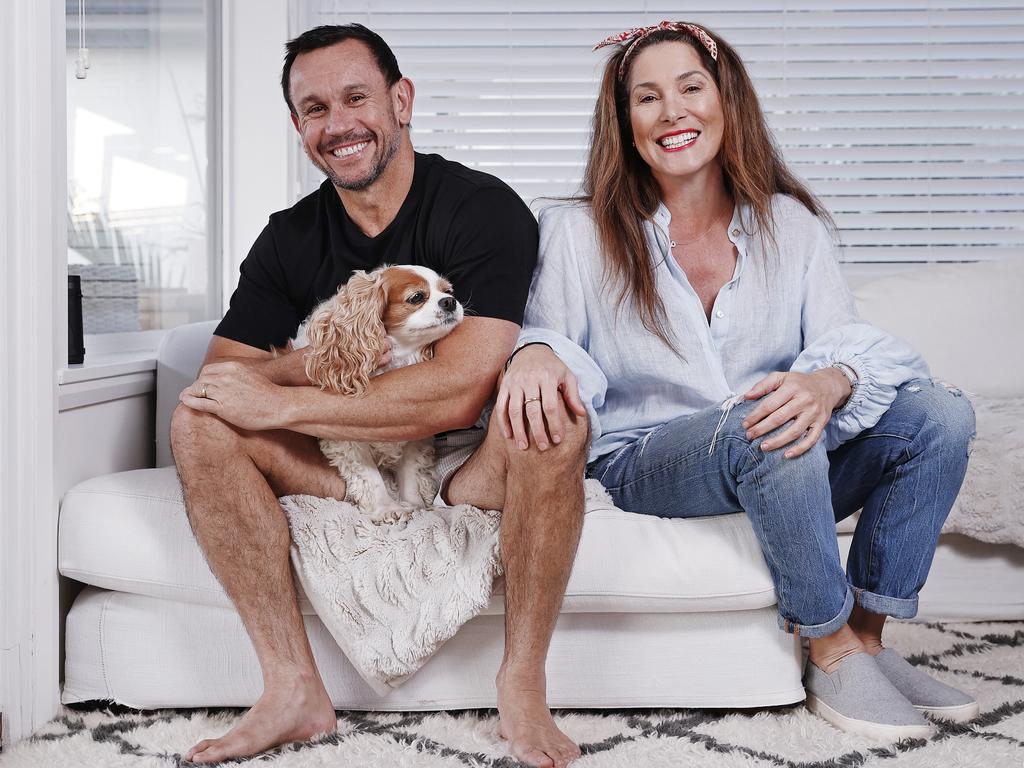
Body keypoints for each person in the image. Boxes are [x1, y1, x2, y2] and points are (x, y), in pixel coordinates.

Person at [498, 20, 979, 740]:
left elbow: (852, 352)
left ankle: (869, 640)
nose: (672, 112)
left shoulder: (792, 226)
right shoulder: (576, 230)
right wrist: (534, 351)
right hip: (647, 460)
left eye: (691, 87)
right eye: (647, 98)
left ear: (727, 100)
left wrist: (829, 382)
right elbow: (554, 349)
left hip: (780, 453)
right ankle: (830, 644)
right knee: (766, 425)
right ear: (626, 124)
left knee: (941, 416)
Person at [171, 24, 587, 768]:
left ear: (401, 101)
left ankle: (522, 686)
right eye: (315, 109)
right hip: (345, 465)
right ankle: (291, 689)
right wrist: (331, 361)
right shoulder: (287, 239)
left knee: (552, 419)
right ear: (299, 127)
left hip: (465, 470)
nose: (339, 124)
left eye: (356, 97)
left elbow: (460, 389)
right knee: (196, 423)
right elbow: (221, 384)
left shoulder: (482, 209)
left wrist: (287, 399)